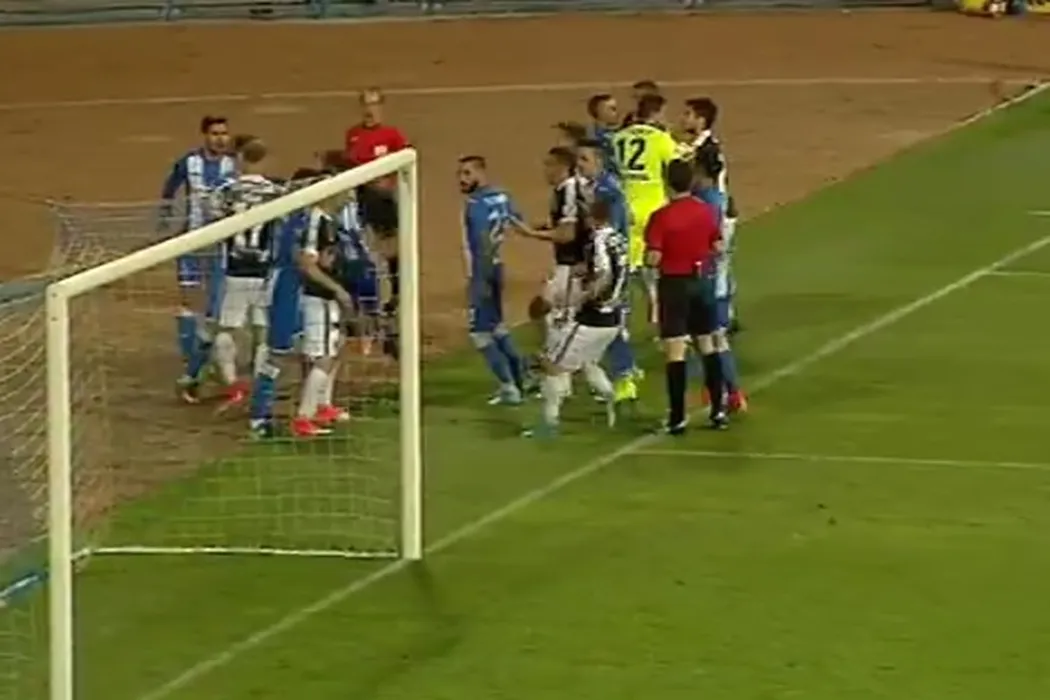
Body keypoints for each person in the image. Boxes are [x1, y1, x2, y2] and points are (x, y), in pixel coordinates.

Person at [523, 198, 628, 438]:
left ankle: (549, 424)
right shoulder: (618, 239)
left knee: (551, 365)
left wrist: (585, 296)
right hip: (614, 319)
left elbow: (603, 274)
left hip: (593, 319)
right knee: (587, 362)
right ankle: (611, 403)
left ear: (591, 218)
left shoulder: (597, 240)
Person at [195, 139, 286, 413]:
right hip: (265, 273)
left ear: (241, 159)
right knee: (262, 332)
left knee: (226, 330)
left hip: (234, 270)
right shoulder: (277, 193)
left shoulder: (225, 192)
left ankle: (232, 383)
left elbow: (210, 215)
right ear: (265, 160)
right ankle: (259, 386)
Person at [644, 159, 726, 433]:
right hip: (702, 281)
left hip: (674, 284)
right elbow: (718, 244)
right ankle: (718, 410)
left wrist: (648, 260)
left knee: (675, 350)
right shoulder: (707, 211)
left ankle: (678, 417)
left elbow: (654, 257)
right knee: (707, 343)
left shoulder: (661, 217)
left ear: (667, 183)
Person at [161, 115, 236, 394]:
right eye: (215, 133)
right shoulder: (188, 162)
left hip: (220, 246)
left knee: (215, 306)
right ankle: (190, 356)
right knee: (189, 302)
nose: (220, 138)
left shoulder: (233, 164)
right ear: (205, 135)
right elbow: (169, 189)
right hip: (191, 244)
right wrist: (166, 216)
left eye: (224, 133)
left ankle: (204, 361)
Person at [459, 155, 528, 406]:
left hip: (484, 271)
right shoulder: (502, 196)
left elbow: (482, 243)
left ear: (481, 172)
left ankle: (508, 387)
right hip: (498, 267)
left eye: (467, 173)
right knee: (497, 328)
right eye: (460, 174)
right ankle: (523, 378)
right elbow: (519, 221)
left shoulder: (475, 204)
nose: (462, 179)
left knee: (480, 334)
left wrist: (480, 280)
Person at [575, 140, 640, 404]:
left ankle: (625, 379)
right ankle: (622, 371)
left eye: (585, 159)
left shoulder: (606, 192)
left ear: (599, 161)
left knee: (612, 324)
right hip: (608, 262)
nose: (579, 164)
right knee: (606, 323)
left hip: (611, 267)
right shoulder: (599, 186)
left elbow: (609, 232)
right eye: (578, 159)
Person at [680, 96, 743, 333]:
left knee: (716, 267)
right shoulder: (699, 146)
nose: (683, 118)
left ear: (701, 120)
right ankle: (726, 316)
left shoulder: (707, 149)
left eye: (688, 114)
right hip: (712, 212)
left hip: (716, 214)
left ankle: (721, 322)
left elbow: (705, 183)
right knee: (718, 266)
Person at [613, 93, 678, 323]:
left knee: (625, 267)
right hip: (655, 209)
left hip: (626, 209)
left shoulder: (619, 137)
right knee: (659, 264)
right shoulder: (660, 138)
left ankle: (621, 317)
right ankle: (659, 309)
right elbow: (679, 166)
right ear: (657, 113)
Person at [344, 87, 409, 313]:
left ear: (381, 107)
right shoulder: (353, 134)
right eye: (365, 104)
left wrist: (390, 183)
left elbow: (405, 164)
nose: (369, 109)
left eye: (373, 104)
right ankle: (367, 298)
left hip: (382, 200)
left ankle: (397, 293)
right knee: (361, 248)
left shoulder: (392, 135)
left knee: (389, 249)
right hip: (359, 198)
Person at [585, 93, 620, 176]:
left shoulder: (620, 133)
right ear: (600, 111)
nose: (617, 112)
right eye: (612, 109)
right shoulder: (589, 135)